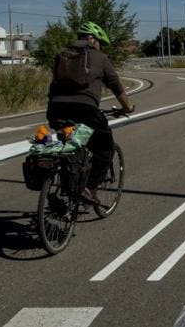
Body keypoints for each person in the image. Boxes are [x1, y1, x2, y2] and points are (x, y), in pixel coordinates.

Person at [46, 21, 134, 202]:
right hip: (85, 110)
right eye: (100, 42)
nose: (100, 47)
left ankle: (66, 184)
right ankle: (89, 187)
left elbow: (53, 85)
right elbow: (116, 86)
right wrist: (127, 107)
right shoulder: (99, 57)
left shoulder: (61, 55)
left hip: (55, 109)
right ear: (92, 39)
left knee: (69, 145)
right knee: (105, 148)